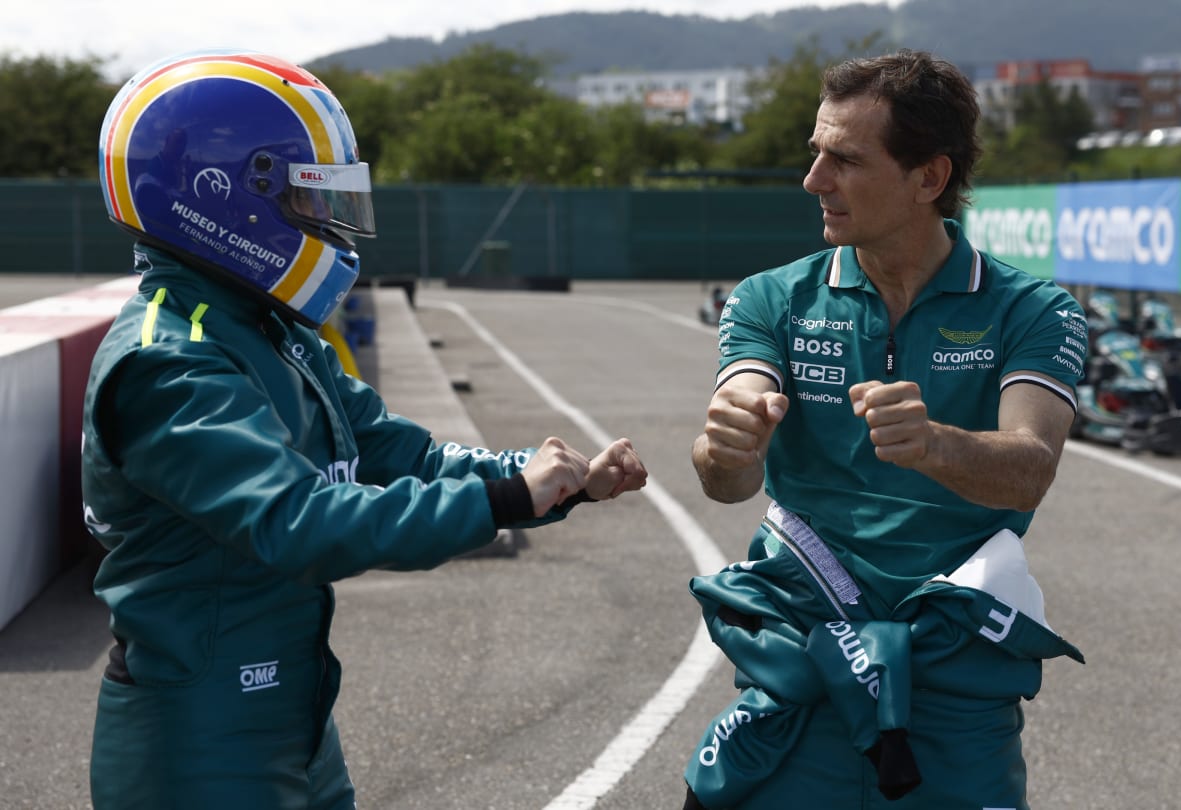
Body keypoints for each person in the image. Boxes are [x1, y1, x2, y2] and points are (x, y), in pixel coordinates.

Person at [84, 49, 648, 809]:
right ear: (221, 199)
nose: (328, 223)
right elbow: (299, 522)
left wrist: (551, 480)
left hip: (290, 711)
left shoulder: (269, 331)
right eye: (309, 201)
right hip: (198, 736)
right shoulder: (166, 362)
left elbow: (397, 453)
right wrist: (508, 498)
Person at [683, 50, 1085, 809]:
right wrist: (726, 445)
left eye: (846, 160)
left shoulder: (1033, 310)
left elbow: (1031, 466)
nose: (815, 181)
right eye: (816, 154)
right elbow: (728, 480)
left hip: (955, 668)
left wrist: (934, 444)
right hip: (805, 650)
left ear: (929, 178)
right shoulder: (772, 299)